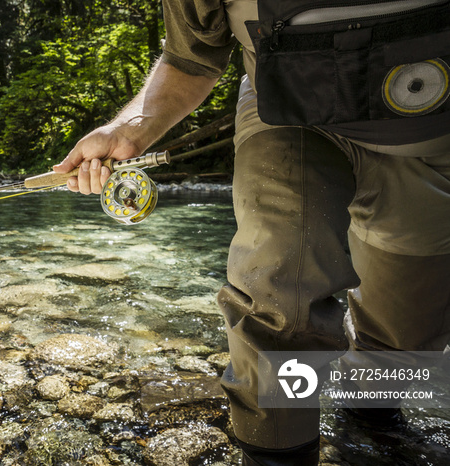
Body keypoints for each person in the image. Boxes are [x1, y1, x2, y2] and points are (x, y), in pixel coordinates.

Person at [53, 1, 450, 464]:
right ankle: (275, 451)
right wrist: (127, 129)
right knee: (278, 288)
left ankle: (372, 420)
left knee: (406, 340)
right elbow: (191, 59)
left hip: (432, 145)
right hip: (289, 117)